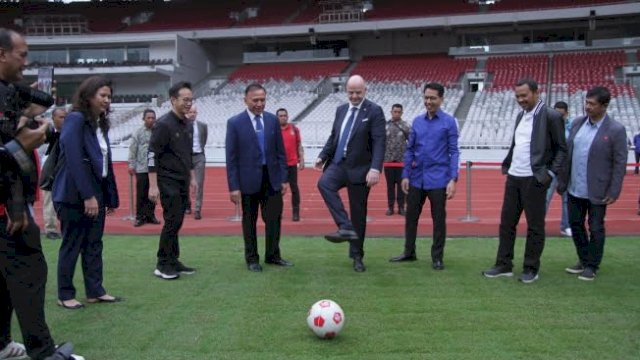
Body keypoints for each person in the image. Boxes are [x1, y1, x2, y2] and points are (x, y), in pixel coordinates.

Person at [0, 27, 84, 360]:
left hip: (10, 206)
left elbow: (29, 118)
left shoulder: (8, 93)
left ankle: (3, 344)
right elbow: (7, 155)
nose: (27, 60)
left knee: (5, 280)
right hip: (8, 211)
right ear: (1, 54)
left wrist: (25, 108)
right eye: (22, 54)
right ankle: (44, 353)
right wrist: (20, 144)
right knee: (30, 274)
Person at [482, 78, 566, 284]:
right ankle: (504, 265)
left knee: (535, 226)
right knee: (507, 223)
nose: (520, 100)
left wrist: (550, 175)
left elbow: (562, 150)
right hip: (514, 177)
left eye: (524, 95)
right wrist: (508, 165)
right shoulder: (521, 115)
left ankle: (531, 268)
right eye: (517, 96)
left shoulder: (551, 115)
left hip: (534, 179)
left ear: (536, 93)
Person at [52, 76, 121, 309]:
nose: (107, 100)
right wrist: (87, 195)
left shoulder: (99, 123)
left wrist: (109, 196)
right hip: (74, 195)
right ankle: (65, 293)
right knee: (72, 243)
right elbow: (73, 159)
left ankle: (95, 290)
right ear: (88, 96)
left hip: (96, 192)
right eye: (102, 95)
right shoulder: (75, 119)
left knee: (94, 243)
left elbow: (105, 162)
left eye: (109, 96)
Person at [315, 75, 386, 272]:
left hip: (361, 170)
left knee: (359, 215)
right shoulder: (341, 110)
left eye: (358, 92)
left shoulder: (374, 111)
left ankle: (357, 256)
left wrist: (375, 168)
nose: (354, 96)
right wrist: (323, 156)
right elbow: (334, 136)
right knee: (324, 184)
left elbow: (380, 142)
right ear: (346, 91)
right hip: (338, 164)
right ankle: (344, 225)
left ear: (365, 91)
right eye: (351, 92)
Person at [558, 86, 627, 281]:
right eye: (586, 102)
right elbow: (568, 154)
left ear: (604, 106)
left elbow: (619, 162)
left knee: (596, 227)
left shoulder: (615, 130)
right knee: (575, 224)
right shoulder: (578, 123)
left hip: (598, 190)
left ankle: (592, 265)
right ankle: (584, 259)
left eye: (592, 104)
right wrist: (562, 180)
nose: (587, 107)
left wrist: (614, 190)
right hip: (574, 187)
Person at [389, 83, 459, 270]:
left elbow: (454, 152)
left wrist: (453, 178)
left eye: (432, 98)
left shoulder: (449, 122)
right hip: (416, 178)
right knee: (411, 217)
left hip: (438, 179)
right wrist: (405, 175)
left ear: (441, 99)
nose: (428, 101)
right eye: (426, 98)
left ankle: (437, 257)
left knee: (438, 220)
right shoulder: (417, 122)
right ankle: (409, 252)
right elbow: (410, 150)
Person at [225, 83, 292, 272]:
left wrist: (284, 179)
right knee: (249, 221)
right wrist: (233, 186)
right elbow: (231, 158)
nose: (259, 104)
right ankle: (252, 259)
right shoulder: (235, 123)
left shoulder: (272, 120)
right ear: (245, 100)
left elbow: (280, 153)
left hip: (272, 179)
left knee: (274, 220)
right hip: (247, 181)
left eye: (262, 100)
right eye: (255, 100)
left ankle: (273, 255)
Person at [148, 81, 197, 280]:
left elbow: (187, 154)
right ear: (173, 100)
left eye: (191, 100)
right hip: (167, 180)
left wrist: (192, 178)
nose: (188, 103)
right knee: (172, 221)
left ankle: (173, 260)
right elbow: (152, 154)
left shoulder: (186, 123)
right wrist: (152, 186)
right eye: (185, 100)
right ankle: (162, 263)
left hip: (182, 180)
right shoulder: (163, 124)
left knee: (177, 222)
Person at [128, 109, 160, 227]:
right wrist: (131, 164)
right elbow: (133, 149)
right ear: (143, 119)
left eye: (153, 118)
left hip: (155, 169)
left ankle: (150, 215)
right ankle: (139, 217)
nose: (151, 120)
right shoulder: (138, 132)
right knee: (141, 193)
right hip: (141, 167)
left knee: (153, 193)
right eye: (148, 118)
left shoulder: (158, 132)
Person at [544, 101, 572, 237]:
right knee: (545, 197)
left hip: (566, 169)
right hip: (551, 168)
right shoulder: (546, 127)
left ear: (567, 114)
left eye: (561, 114)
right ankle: (537, 225)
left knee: (567, 199)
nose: (559, 117)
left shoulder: (572, 127)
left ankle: (566, 226)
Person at [41, 107, 66, 239]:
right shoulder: (48, 132)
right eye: (61, 117)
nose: (64, 120)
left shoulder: (69, 133)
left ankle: (62, 227)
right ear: (53, 118)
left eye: (65, 117)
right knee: (49, 201)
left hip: (63, 172)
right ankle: (50, 229)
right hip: (50, 172)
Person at [277, 107, 304, 222]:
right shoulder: (274, 130)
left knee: (294, 189)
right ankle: (278, 212)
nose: (283, 117)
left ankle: (296, 212)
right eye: (281, 116)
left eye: (285, 115)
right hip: (279, 165)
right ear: (277, 118)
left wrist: (301, 159)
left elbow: (299, 145)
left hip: (292, 163)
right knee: (278, 190)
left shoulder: (294, 129)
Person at [383, 104, 410, 216]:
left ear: (402, 113)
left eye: (399, 112)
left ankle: (401, 207)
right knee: (390, 186)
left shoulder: (406, 126)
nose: (397, 114)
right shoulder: (385, 126)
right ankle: (390, 207)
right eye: (395, 111)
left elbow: (412, 142)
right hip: (388, 160)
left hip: (401, 161)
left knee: (401, 186)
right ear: (391, 111)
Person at [187, 104, 207, 220]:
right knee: (186, 183)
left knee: (199, 184)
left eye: (194, 112)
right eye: (190, 112)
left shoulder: (203, 126)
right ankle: (187, 204)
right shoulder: (182, 126)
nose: (192, 114)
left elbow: (204, 140)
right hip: (186, 158)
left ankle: (198, 209)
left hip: (199, 156)